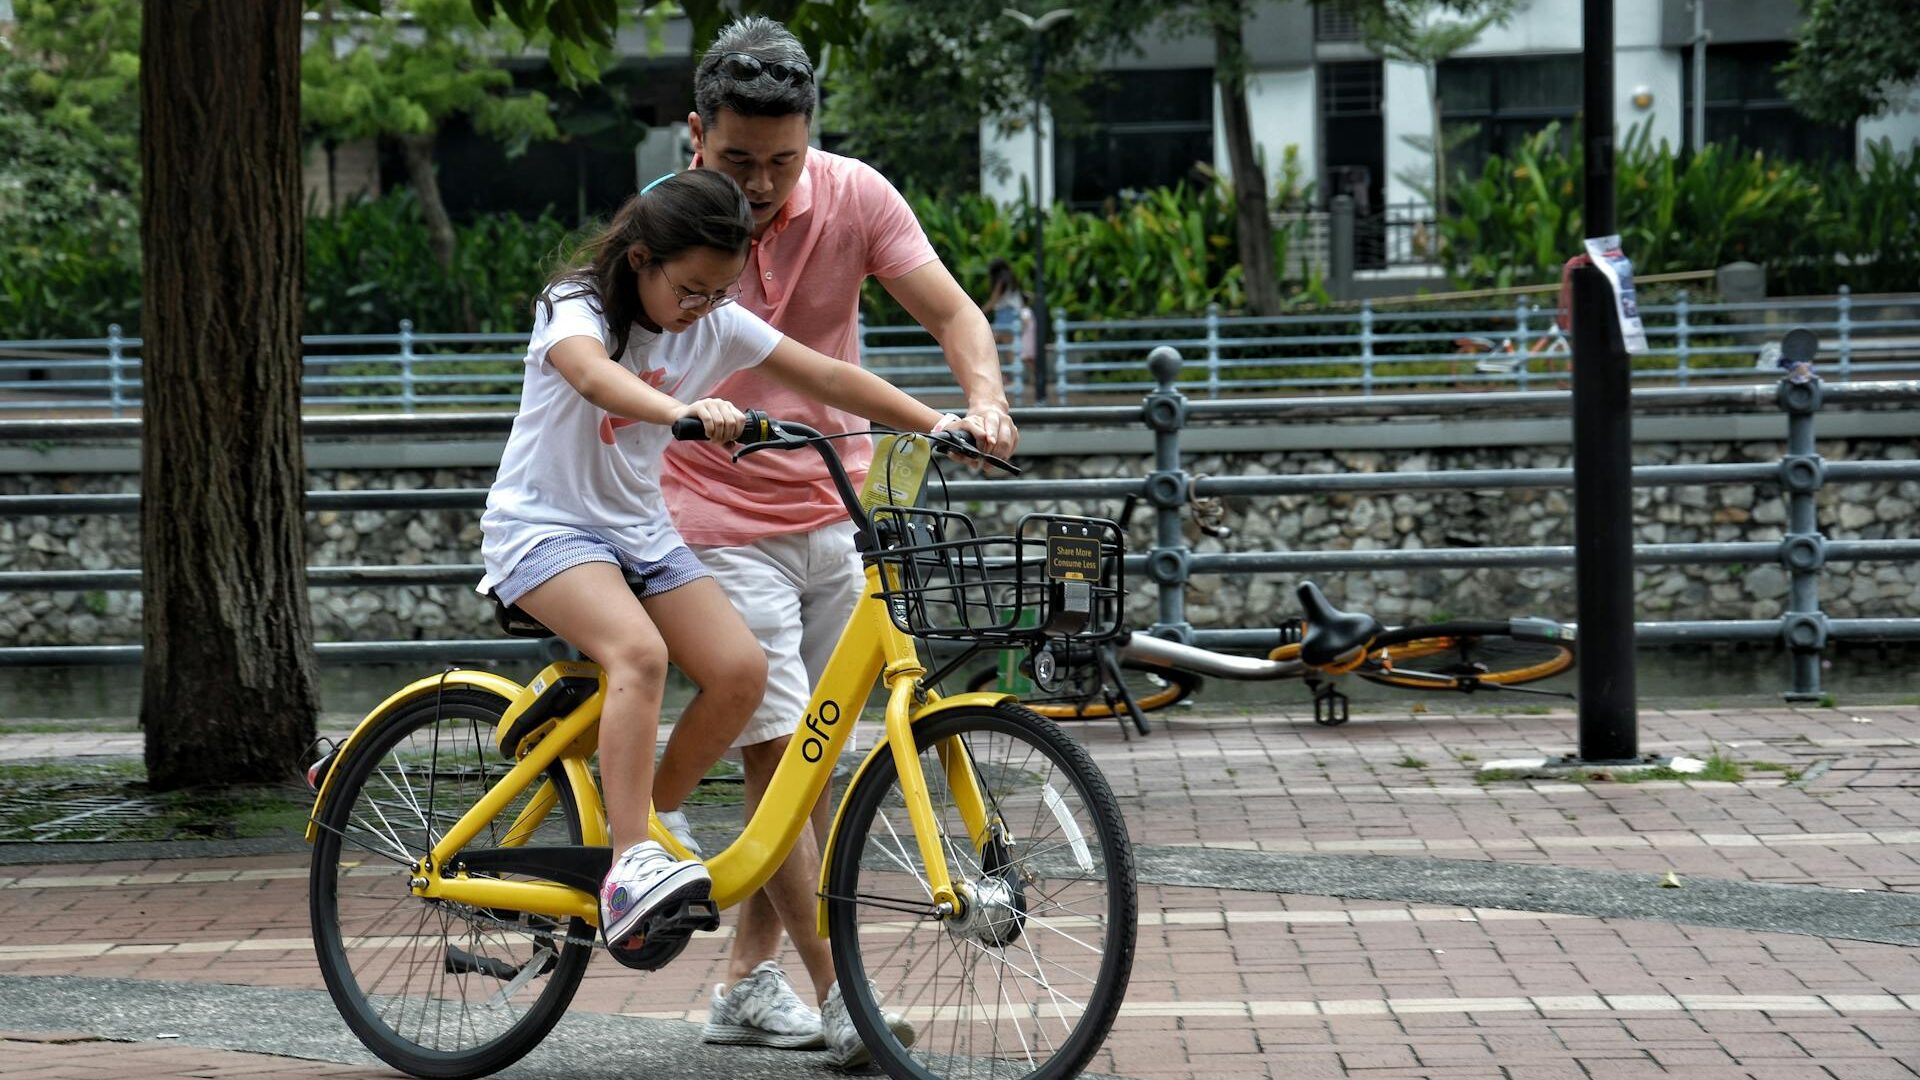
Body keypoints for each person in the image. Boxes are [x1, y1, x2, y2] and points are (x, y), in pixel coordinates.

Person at [474, 168, 979, 962]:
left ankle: (654, 814)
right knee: (639, 654)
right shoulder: (576, 305)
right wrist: (681, 410)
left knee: (741, 672)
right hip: (545, 529)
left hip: (640, 533)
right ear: (640, 259)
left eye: (719, 294)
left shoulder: (714, 321)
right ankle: (629, 864)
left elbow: (829, 376)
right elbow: (591, 375)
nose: (701, 309)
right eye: (689, 290)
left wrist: (936, 423)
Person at [659, 15, 1019, 1071]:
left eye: (783, 160)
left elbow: (953, 312)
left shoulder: (856, 196)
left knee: (810, 766)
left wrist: (984, 400)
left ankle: (743, 983)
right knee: (781, 749)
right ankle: (840, 995)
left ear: (810, 136)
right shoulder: (671, 221)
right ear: (696, 134)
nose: (763, 185)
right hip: (711, 514)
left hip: (838, 507)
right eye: (738, 160)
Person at [980, 258, 1033, 398]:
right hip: (1011, 315)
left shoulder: (1001, 281)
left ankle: (1012, 379)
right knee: (1000, 347)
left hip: (1005, 315)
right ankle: (1011, 378)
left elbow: (994, 299)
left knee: (991, 346)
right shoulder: (1012, 280)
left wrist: (979, 312)